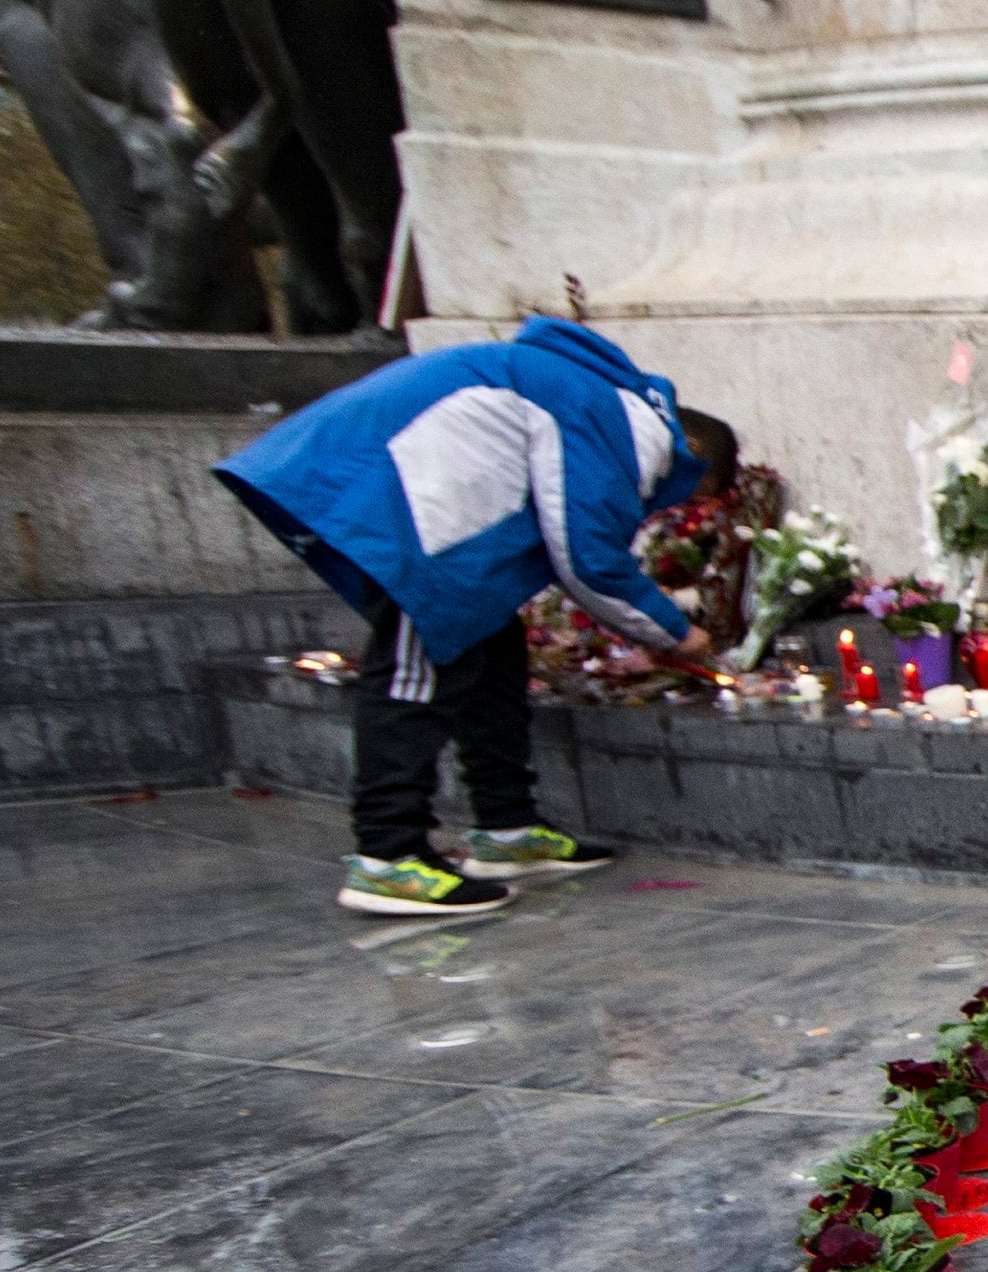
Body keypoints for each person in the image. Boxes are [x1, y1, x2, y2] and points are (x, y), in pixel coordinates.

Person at [216, 315, 735, 914]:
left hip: (427, 509)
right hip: (410, 512)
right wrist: (678, 634)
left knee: (493, 655)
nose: (669, 504)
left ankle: (508, 828)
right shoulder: (623, 422)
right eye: (691, 491)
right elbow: (588, 559)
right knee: (416, 675)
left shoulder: (593, 398)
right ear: (689, 453)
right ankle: (389, 857)